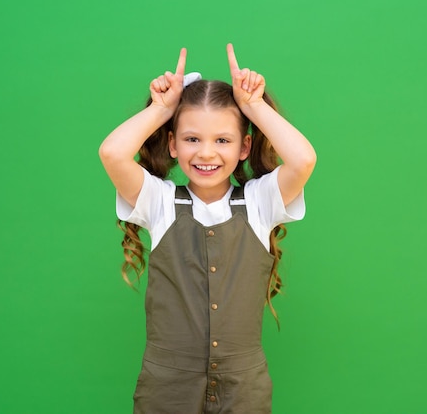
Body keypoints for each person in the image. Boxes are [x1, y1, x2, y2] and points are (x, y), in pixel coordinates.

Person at [98, 43, 316, 414]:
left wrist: (254, 107)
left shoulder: (260, 202)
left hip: (243, 386)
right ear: (173, 143)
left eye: (223, 140)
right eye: (192, 138)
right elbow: (112, 153)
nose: (206, 153)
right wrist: (162, 109)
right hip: (167, 386)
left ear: (244, 147)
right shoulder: (159, 202)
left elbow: (304, 158)